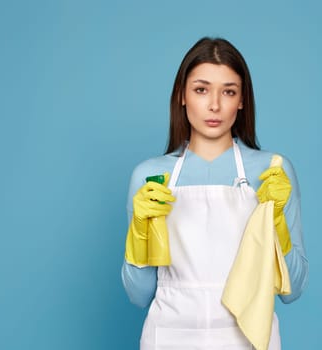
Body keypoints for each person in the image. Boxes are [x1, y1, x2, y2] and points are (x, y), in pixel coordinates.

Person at [122, 37, 309, 350]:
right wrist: (140, 233)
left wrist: (277, 225)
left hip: (248, 339)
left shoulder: (271, 172)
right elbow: (139, 296)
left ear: (242, 101)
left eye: (229, 91)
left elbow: (293, 291)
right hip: (168, 337)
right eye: (201, 89)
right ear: (182, 95)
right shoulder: (151, 177)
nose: (215, 105)